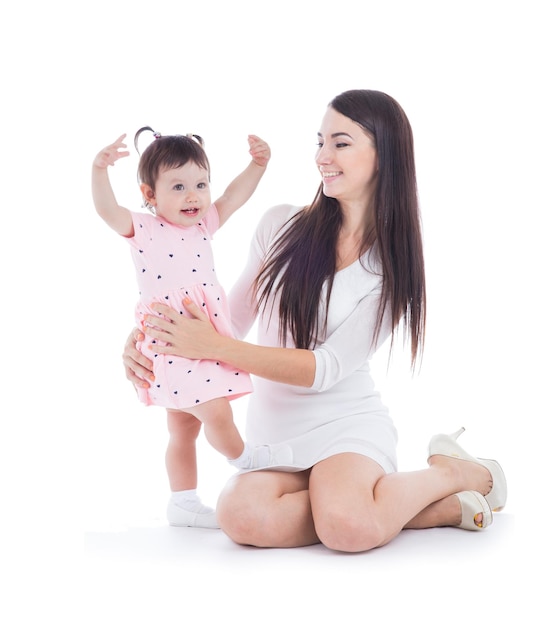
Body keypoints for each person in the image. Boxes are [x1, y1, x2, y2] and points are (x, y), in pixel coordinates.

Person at [122, 90, 507, 551]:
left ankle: (457, 472)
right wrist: (152, 341)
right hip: (274, 438)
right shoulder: (279, 225)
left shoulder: (391, 266)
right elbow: (227, 319)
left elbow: (325, 369)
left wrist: (212, 347)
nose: (323, 156)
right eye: (319, 141)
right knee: (240, 516)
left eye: (340, 143)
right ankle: (396, 505)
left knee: (347, 529)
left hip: (346, 425)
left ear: (384, 155)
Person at [92, 128, 289, 530]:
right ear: (150, 195)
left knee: (183, 426)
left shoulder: (202, 226)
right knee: (214, 409)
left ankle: (182, 501)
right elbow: (107, 210)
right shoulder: (144, 229)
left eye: (200, 184)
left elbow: (233, 196)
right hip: (172, 342)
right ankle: (242, 456)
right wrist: (99, 170)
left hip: (202, 338)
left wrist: (258, 165)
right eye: (178, 187)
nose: (193, 196)